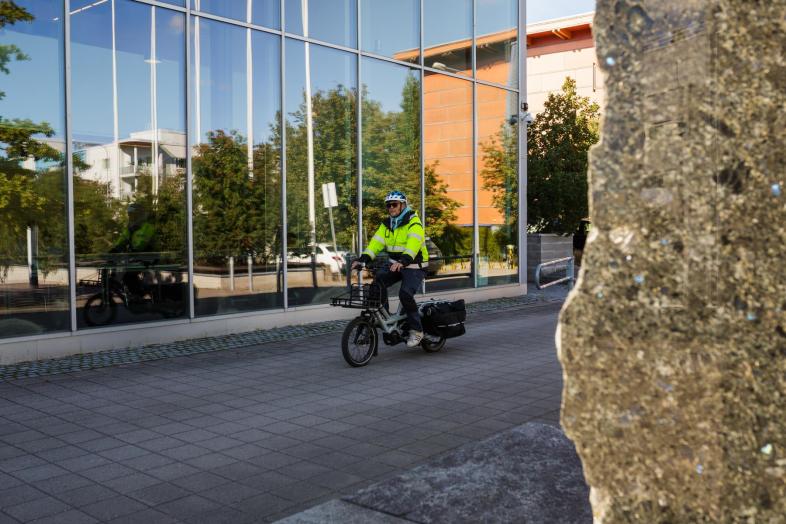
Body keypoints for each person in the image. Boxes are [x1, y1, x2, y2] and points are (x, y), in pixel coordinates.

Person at [352, 191, 429, 347]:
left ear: (403, 205)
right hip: (396, 264)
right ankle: (385, 318)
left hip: (414, 266)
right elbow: (375, 244)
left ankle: (417, 330)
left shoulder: (414, 222)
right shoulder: (387, 224)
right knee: (377, 286)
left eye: (394, 204)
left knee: (405, 294)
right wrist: (363, 259)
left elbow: (413, 244)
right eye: (388, 205)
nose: (391, 208)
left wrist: (404, 260)